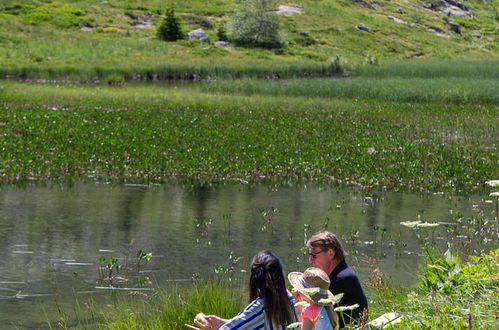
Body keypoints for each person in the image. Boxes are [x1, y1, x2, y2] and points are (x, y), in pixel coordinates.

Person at [194, 250, 296, 329]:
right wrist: (222, 321)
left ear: (255, 279)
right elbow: (250, 321)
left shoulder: (261, 307)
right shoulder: (293, 300)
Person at [306, 231, 368, 328]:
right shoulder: (340, 274)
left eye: (314, 255)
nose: (310, 260)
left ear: (330, 253)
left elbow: (324, 317)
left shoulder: (341, 278)